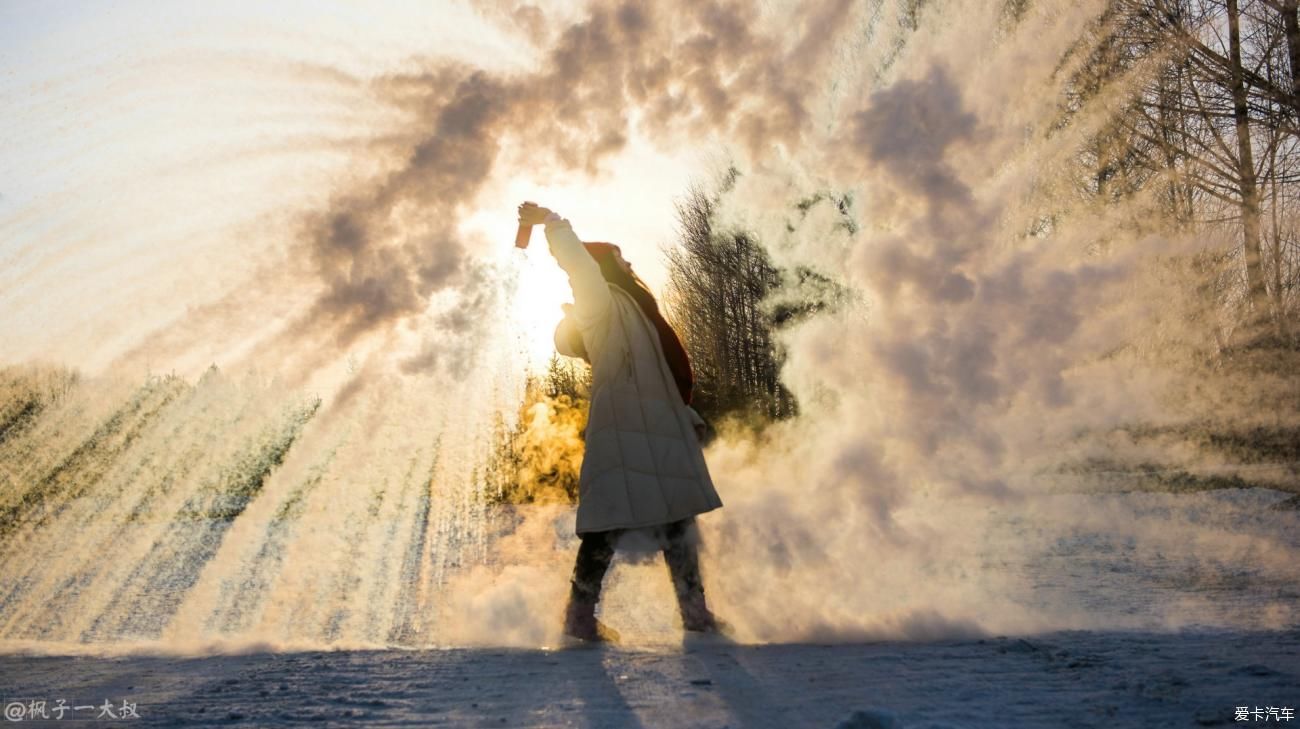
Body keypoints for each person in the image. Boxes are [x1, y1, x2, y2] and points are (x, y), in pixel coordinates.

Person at [516, 201, 725, 642]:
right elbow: (578, 264)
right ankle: (578, 620)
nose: (628, 262)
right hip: (622, 425)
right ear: (605, 265)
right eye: (619, 256)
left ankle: (695, 615)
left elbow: (659, 374)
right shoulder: (602, 305)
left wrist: (684, 412)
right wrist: (553, 223)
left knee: (679, 521)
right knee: (606, 523)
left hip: (659, 426)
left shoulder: (634, 311)